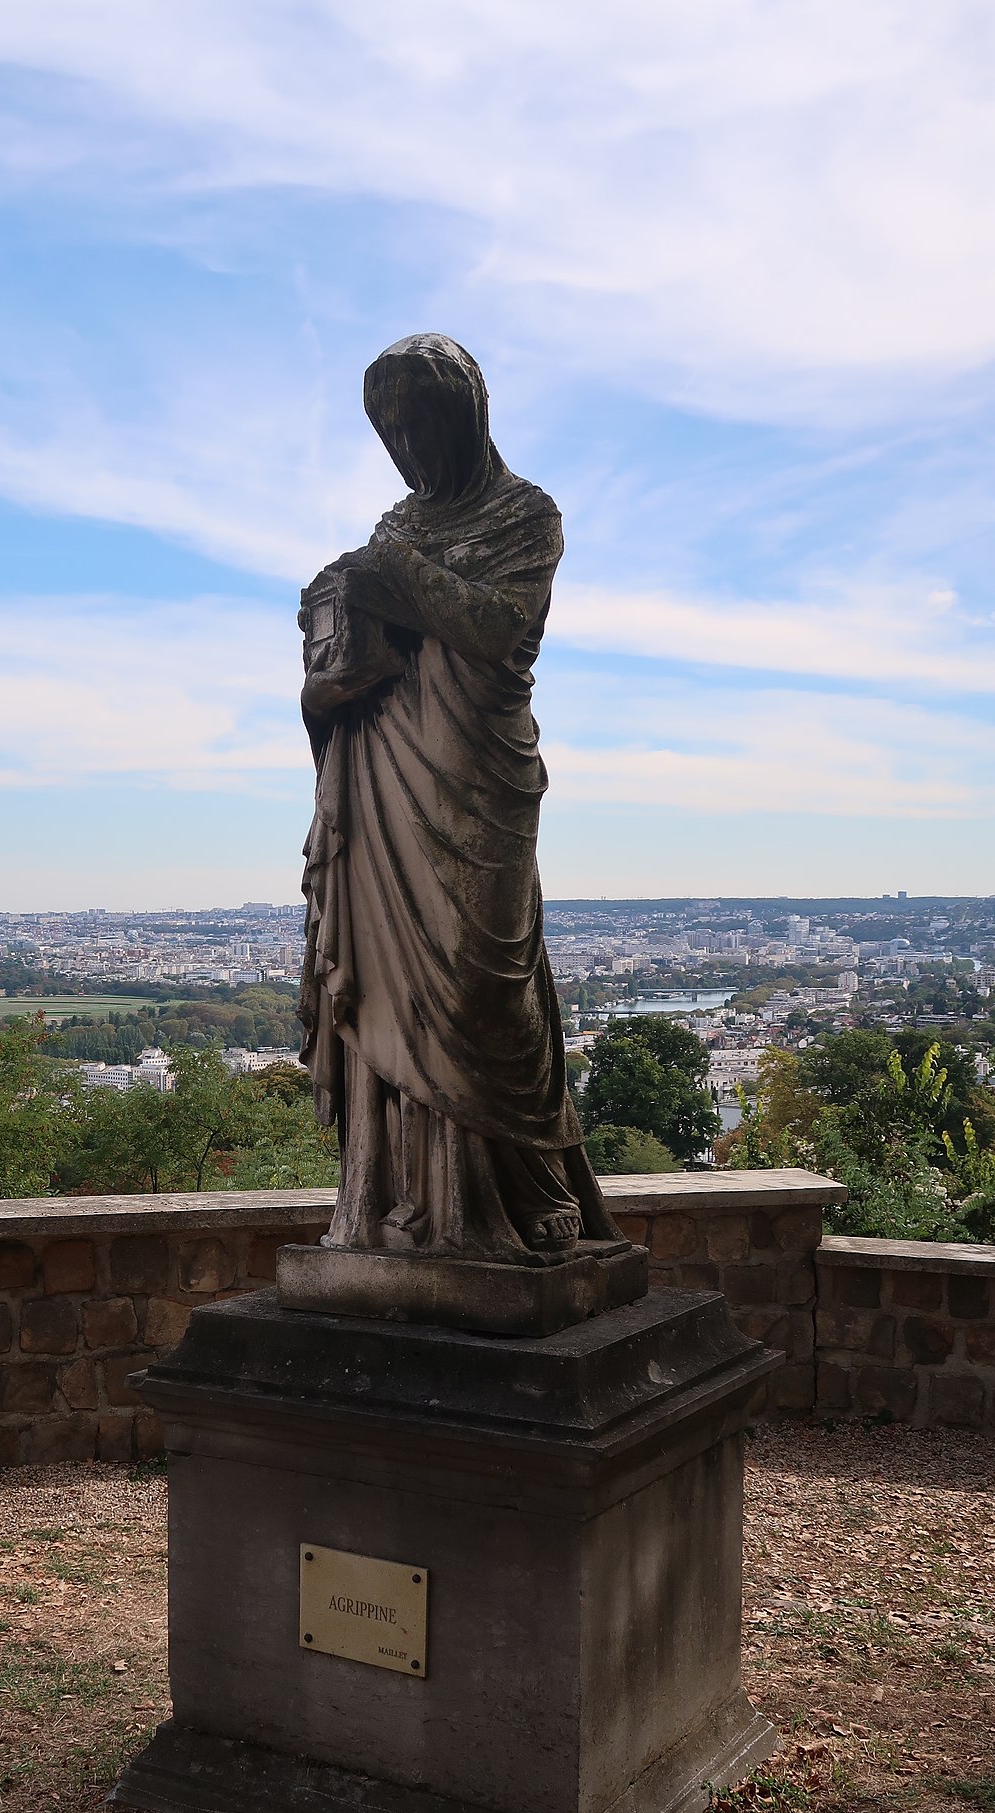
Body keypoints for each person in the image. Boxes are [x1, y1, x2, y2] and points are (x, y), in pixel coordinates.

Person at [297, 332, 620, 1265]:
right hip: (384, 784)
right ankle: (409, 1203)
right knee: (398, 993)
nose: (403, 449)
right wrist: (323, 690)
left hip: (476, 782)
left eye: (418, 425)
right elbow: (341, 671)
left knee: (485, 984)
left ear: (465, 415)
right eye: (386, 431)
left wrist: (384, 580)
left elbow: (497, 627)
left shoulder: (525, 515)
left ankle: (522, 1194)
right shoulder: (393, 531)